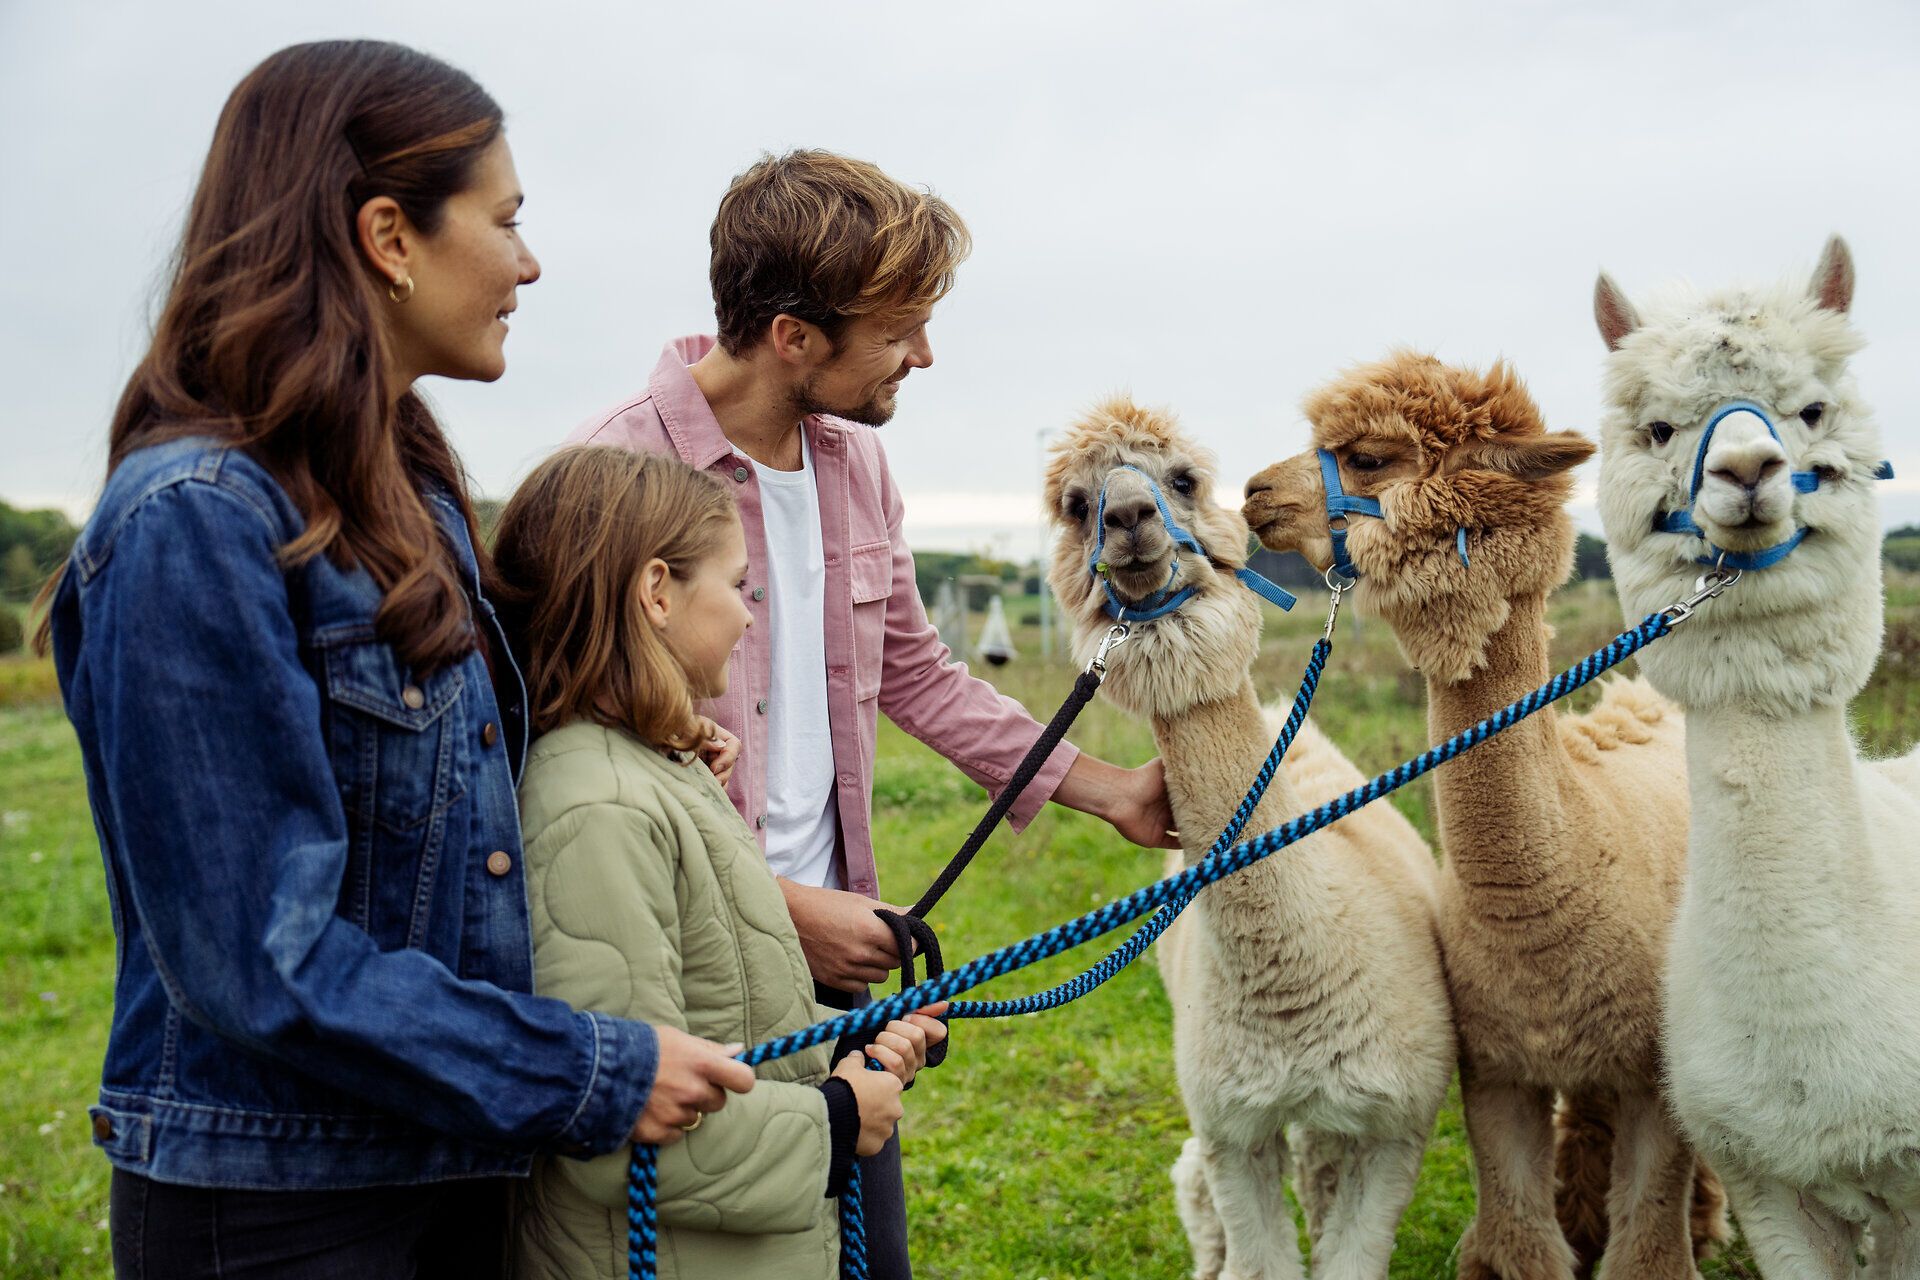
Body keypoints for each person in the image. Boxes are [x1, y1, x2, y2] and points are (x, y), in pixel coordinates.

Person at [36, 41, 751, 1279]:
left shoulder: (407, 490)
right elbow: (261, 954)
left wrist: (645, 732)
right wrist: (590, 1066)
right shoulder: (194, 518)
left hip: (446, 1163)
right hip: (280, 1209)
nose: (529, 263)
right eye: (507, 219)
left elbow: (437, 809)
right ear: (389, 235)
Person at [571, 148, 1178, 1276]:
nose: (925, 354)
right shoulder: (616, 471)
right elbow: (591, 760)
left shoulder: (856, 466)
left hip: (837, 970)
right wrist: (783, 907)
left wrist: (1113, 794)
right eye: (901, 329)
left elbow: (914, 668)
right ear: (795, 334)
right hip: (691, 972)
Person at [495, 444, 949, 1278]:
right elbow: (616, 1133)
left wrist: (853, 1041)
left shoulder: (664, 776)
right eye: (737, 586)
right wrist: (836, 1122)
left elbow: (724, 1018)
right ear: (657, 592)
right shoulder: (598, 810)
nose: (749, 618)